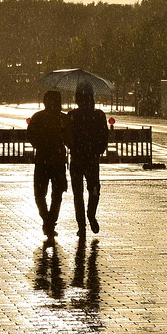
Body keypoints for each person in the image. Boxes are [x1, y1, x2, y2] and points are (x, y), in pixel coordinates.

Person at [68, 81, 110, 236]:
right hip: (92, 159)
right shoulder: (98, 115)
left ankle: (82, 226)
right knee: (94, 190)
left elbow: (67, 136)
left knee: (78, 194)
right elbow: (104, 136)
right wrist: (98, 150)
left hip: (77, 159)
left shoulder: (72, 115)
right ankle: (91, 215)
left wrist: (72, 147)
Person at [27, 89, 69, 239]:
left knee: (41, 194)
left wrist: (41, 144)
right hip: (56, 159)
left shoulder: (39, 117)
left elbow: (30, 136)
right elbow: (69, 139)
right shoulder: (62, 119)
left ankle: (48, 221)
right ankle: (50, 221)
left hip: (44, 160)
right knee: (55, 194)